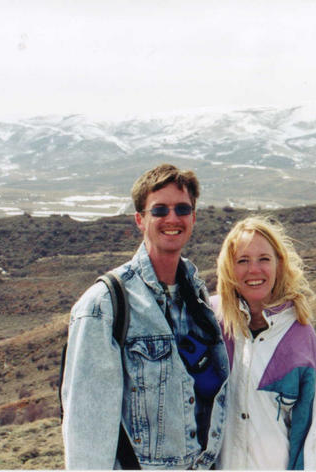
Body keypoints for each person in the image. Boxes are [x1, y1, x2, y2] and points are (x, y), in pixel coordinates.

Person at [61, 164, 229, 469]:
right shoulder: (104, 306)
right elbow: (86, 433)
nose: (172, 219)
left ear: (194, 217)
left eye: (182, 209)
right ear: (140, 219)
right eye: (159, 210)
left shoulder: (197, 298)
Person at [211, 216, 316, 470]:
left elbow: (312, 438)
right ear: (229, 269)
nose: (254, 270)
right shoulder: (210, 322)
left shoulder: (301, 337)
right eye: (242, 260)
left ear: (279, 263)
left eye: (264, 259)